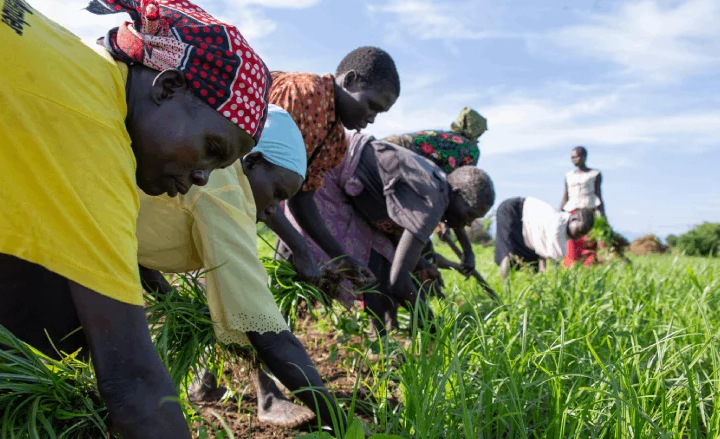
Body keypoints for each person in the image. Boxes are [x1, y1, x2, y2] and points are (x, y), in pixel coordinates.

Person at [0, 0, 270, 437]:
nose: (201, 176)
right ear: (167, 88)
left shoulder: (80, 70)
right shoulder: (93, 130)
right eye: (212, 149)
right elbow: (132, 383)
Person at [136, 105, 340, 430]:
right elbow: (269, 334)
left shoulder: (220, 179)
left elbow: (138, 245)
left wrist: (177, 305)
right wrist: (341, 423)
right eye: (276, 193)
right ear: (252, 161)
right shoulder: (226, 189)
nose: (273, 209)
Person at [278, 132, 496, 335]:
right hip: (329, 170)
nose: (467, 224)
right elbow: (398, 283)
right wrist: (433, 326)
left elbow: (394, 239)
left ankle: (381, 340)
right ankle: (275, 327)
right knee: (320, 256)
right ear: (456, 193)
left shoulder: (435, 185)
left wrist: (418, 261)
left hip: (348, 180)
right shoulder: (433, 202)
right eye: (470, 213)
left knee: (379, 258)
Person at [264, 47, 401, 287]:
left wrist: (343, 258)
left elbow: (302, 199)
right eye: (371, 105)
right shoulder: (303, 93)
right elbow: (259, 178)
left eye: (379, 113)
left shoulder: (335, 140)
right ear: (349, 80)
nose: (371, 118)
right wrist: (301, 250)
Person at [383, 107, 488, 281]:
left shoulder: (447, 138)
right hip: (402, 169)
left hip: (384, 154)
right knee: (417, 245)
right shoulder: (470, 150)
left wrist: (442, 223)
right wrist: (468, 252)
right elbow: (460, 200)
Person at [494, 197, 595, 279]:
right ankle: (504, 291)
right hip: (512, 211)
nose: (578, 236)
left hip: (526, 226)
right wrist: (559, 283)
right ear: (573, 218)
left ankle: (536, 293)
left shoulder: (563, 227)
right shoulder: (558, 225)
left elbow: (542, 245)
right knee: (508, 253)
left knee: (534, 266)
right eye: (578, 231)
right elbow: (556, 260)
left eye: (582, 234)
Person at [559, 146, 606, 267]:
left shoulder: (594, 174)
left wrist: (603, 216)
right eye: (572, 157)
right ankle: (571, 268)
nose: (574, 160)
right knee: (572, 244)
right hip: (572, 214)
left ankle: (588, 267)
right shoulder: (569, 175)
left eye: (576, 156)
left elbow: (598, 195)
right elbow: (566, 196)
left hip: (588, 212)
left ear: (584, 157)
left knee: (588, 243)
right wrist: (558, 213)